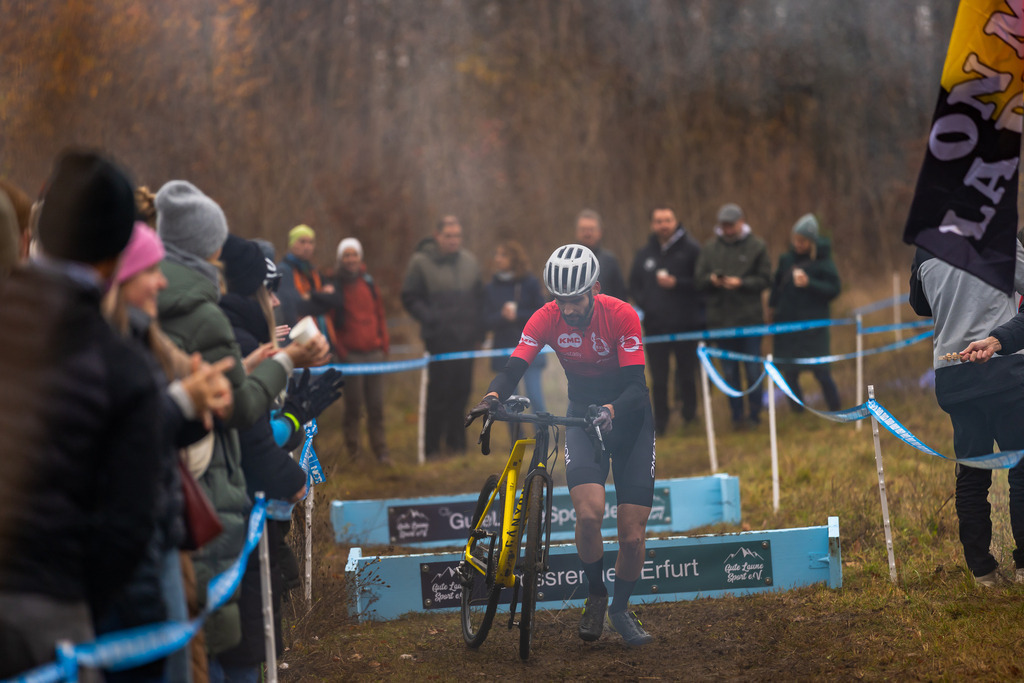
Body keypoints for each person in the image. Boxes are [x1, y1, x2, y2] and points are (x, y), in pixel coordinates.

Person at [0, 151, 162, 680]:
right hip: (53, 612)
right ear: (117, 256)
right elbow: (129, 527)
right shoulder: (124, 368)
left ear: (38, 232)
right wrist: (72, 595)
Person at [154, 180, 329, 672]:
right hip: (213, 500)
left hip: (195, 497)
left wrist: (258, 375)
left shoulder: (173, 310)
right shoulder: (205, 316)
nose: (274, 301)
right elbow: (240, 413)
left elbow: (223, 397)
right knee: (227, 645)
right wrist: (288, 364)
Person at [467, 244, 656, 647]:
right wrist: (492, 397)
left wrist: (611, 410)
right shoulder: (546, 317)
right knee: (588, 515)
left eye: (575, 300)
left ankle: (621, 608)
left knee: (631, 536)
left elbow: (637, 388)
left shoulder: (621, 315)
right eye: (560, 300)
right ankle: (596, 596)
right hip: (582, 418)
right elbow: (514, 365)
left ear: (595, 289)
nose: (567, 308)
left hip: (630, 422)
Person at [103, 222, 235, 683]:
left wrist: (198, 404)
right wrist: (182, 404)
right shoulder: (108, 348)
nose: (162, 281)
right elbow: (125, 439)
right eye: (149, 270)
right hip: (134, 551)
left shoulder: (142, 336)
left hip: (161, 537)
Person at [215, 234, 344, 679]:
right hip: (240, 507)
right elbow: (245, 431)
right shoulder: (233, 338)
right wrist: (291, 425)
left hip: (249, 502)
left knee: (254, 626)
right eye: (269, 292)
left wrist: (292, 415)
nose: (275, 302)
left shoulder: (244, 337)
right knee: (243, 639)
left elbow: (255, 423)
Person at [927, 241, 1024, 586]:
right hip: (1004, 370)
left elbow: (919, 303)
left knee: (971, 473)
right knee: (1021, 469)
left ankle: (982, 573)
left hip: (954, 375)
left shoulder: (926, 245)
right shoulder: (1001, 238)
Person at [401, 215, 484, 459]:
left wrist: (479, 333)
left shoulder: (470, 261)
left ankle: (457, 445)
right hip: (439, 340)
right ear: (437, 236)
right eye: (448, 236)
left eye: (457, 236)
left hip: (466, 340)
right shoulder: (420, 262)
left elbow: (480, 299)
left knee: (462, 393)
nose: (453, 240)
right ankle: (432, 448)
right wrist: (431, 318)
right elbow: (409, 297)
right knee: (438, 395)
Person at [695, 203, 772, 429]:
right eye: (724, 225)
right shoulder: (709, 249)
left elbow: (766, 279)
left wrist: (742, 283)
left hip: (750, 321)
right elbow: (698, 280)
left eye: (731, 225)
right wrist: (712, 280)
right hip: (721, 322)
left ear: (741, 222)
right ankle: (736, 416)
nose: (727, 229)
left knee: (753, 370)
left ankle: (755, 415)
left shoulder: (757, 246)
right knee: (729, 373)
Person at [628, 205, 704, 435]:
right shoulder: (644, 254)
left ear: (675, 221)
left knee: (687, 375)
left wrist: (678, 283)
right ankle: (660, 422)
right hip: (655, 327)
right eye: (659, 221)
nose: (664, 225)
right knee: (659, 379)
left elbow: (701, 282)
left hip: (686, 325)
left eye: (668, 220)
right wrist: (647, 304)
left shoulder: (692, 250)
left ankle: (690, 416)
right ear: (653, 225)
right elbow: (633, 284)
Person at [768, 214, 841, 412]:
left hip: (813, 328)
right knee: (789, 373)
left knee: (822, 372)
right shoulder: (786, 260)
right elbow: (776, 287)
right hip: (788, 326)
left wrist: (810, 283)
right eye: (796, 240)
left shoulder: (823, 261)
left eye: (802, 241)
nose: (798, 244)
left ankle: (836, 409)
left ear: (812, 241)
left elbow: (834, 289)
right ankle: (798, 412)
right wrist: (772, 309)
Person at [330, 237, 391, 464]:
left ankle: (381, 451)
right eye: (346, 255)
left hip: (374, 353)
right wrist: (341, 351)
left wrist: (384, 343)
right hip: (351, 356)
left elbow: (380, 314)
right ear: (341, 259)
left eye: (354, 254)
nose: (351, 259)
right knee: (353, 407)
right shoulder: (335, 285)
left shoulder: (369, 283)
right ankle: (355, 453)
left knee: (376, 406)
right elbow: (330, 321)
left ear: (360, 257)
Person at [482, 240, 548, 417]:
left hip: (531, 349)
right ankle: (517, 436)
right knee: (508, 404)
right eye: (497, 255)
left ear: (515, 258)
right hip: (504, 351)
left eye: (503, 255)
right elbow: (485, 320)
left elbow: (543, 313)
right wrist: (502, 316)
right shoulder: (491, 287)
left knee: (535, 397)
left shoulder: (530, 283)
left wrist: (517, 315)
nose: (498, 259)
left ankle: (542, 433)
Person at [276, 224, 342, 354]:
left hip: (321, 338)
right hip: (299, 342)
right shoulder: (284, 271)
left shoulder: (313, 271)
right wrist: (323, 299)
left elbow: (337, 300)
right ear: (292, 244)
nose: (307, 246)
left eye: (311, 242)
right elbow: (297, 307)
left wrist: (312, 295)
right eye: (302, 242)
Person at [576, 208, 628, 300]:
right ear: (577, 232)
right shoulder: (566, 261)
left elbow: (620, 296)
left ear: (599, 232)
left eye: (591, 229)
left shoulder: (610, 261)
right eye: (583, 229)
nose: (587, 234)